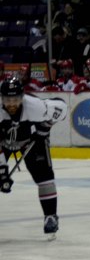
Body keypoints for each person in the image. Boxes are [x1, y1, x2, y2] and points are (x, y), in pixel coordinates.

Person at [0, 77, 68, 239]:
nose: (11, 104)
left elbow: (62, 107)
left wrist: (44, 128)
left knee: (44, 176)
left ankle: (50, 216)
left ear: (22, 97)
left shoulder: (35, 106)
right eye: (7, 100)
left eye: (15, 99)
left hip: (31, 140)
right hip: (3, 142)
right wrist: (2, 171)